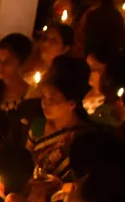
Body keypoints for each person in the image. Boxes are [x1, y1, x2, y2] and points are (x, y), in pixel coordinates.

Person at [30, 54, 94, 182]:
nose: (45, 103)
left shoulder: (82, 137)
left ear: (71, 104)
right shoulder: (38, 126)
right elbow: (26, 164)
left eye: (53, 99)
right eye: (43, 96)